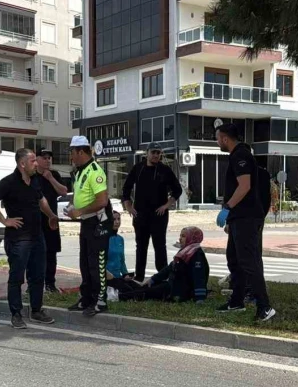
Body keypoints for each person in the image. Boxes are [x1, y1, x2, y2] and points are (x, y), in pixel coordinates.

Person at [0, 148, 59, 329]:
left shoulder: (34, 180)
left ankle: (36, 310)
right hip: (19, 239)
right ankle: (16, 314)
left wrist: (51, 216)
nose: (36, 163)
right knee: (17, 277)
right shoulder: (9, 182)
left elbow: (41, 200)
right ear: (22, 164)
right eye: (33, 161)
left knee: (38, 276)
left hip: (37, 236)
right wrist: (5, 220)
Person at [215, 123, 276, 322]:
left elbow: (244, 186)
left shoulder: (240, 155)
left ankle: (264, 307)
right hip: (238, 218)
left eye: (218, 138)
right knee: (234, 260)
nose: (217, 142)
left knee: (249, 262)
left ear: (225, 138)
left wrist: (228, 208)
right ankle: (236, 301)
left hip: (246, 217)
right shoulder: (238, 155)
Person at [122, 142, 183, 282]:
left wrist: (167, 205)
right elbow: (126, 188)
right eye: (153, 152)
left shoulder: (165, 170)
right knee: (141, 246)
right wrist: (128, 206)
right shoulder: (138, 168)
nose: (156, 155)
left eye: (158, 152)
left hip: (159, 215)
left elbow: (177, 190)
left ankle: (162, 277)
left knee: (160, 246)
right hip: (140, 214)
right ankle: (139, 276)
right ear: (147, 153)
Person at [66, 136, 111, 317]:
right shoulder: (79, 171)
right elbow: (80, 195)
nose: (71, 157)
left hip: (98, 222)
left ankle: (100, 301)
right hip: (86, 221)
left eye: (72, 153)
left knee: (97, 263)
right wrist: (74, 209)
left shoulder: (95, 171)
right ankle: (86, 298)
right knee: (84, 262)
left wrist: (80, 210)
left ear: (81, 152)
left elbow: (102, 201)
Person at [117, 227, 209, 303]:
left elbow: (199, 278)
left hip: (179, 292)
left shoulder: (196, 255)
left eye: (183, 236)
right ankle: (119, 293)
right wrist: (152, 279)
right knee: (144, 286)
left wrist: (199, 299)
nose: (180, 239)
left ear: (192, 238)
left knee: (146, 292)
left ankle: (117, 297)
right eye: (180, 236)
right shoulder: (186, 252)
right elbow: (169, 269)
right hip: (172, 286)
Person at [36, 147, 68, 293]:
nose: (47, 160)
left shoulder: (54, 174)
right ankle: (35, 284)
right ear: (36, 159)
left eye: (49, 158)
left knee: (51, 252)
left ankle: (50, 283)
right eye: (44, 157)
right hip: (37, 220)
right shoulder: (32, 175)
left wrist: (50, 178)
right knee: (36, 253)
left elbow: (63, 191)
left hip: (52, 220)